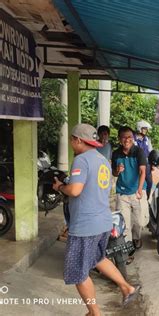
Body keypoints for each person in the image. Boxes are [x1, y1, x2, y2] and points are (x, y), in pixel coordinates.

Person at [52, 123, 140, 315]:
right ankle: (127, 287)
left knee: (77, 272)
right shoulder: (102, 160)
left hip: (85, 225)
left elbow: (75, 190)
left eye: (71, 140)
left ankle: (94, 312)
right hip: (103, 222)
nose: (71, 143)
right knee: (97, 258)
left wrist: (60, 187)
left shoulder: (81, 160)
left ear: (77, 140)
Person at [112, 126, 148, 252]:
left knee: (139, 222)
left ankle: (137, 237)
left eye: (129, 137)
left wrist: (139, 190)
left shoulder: (139, 152)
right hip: (122, 193)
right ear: (119, 139)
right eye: (123, 137)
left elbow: (143, 172)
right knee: (125, 224)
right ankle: (127, 250)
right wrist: (117, 170)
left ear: (132, 138)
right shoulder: (116, 154)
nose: (126, 140)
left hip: (138, 191)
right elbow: (114, 174)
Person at [134, 120, 153, 196]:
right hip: (136, 163)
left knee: (149, 182)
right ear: (139, 128)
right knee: (135, 180)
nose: (146, 130)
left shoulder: (147, 139)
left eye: (146, 129)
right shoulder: (133, 139)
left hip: (146, 163)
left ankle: (147, 197)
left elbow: (150, 151)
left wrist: (153, 163)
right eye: (144, 128)